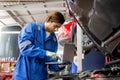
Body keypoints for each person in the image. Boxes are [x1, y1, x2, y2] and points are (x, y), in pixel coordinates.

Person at [12, 11, 65, 80]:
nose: (56, 29)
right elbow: (25, 48)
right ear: (49, 20)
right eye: (55, 26)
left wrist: (59, 65)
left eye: (59, 27)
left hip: (40, 76)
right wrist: (45, 53)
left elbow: (52, 58)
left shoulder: (53, 40)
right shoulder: (32, 27)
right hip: (23, 74)